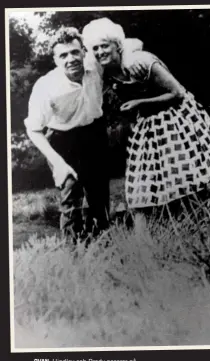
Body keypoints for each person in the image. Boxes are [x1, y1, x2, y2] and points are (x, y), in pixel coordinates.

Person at [81, 18, 210, 218]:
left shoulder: (139, 60)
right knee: (141, 183)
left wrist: (139, 104)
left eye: (104, 46)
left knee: (183, 176)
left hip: (176, 117)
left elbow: (178, 93)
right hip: (148, 122)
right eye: (95, 48)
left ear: (117, 44)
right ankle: (152, 233)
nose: (100, 52)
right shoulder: (108, 70)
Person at [24, 26, 143, 246]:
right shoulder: (46, 86)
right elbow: (33, 129)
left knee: (99, 194)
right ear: (55, 59)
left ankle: (105, 248)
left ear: (84, 51)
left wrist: (133, 58)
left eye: (75, 52)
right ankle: (74, 253)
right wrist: (58, 163)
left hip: (93, 133)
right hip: (61, 140)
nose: (71, 59)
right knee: (71, 196)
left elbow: (132, 43)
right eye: (63, 55)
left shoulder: (95, 63)